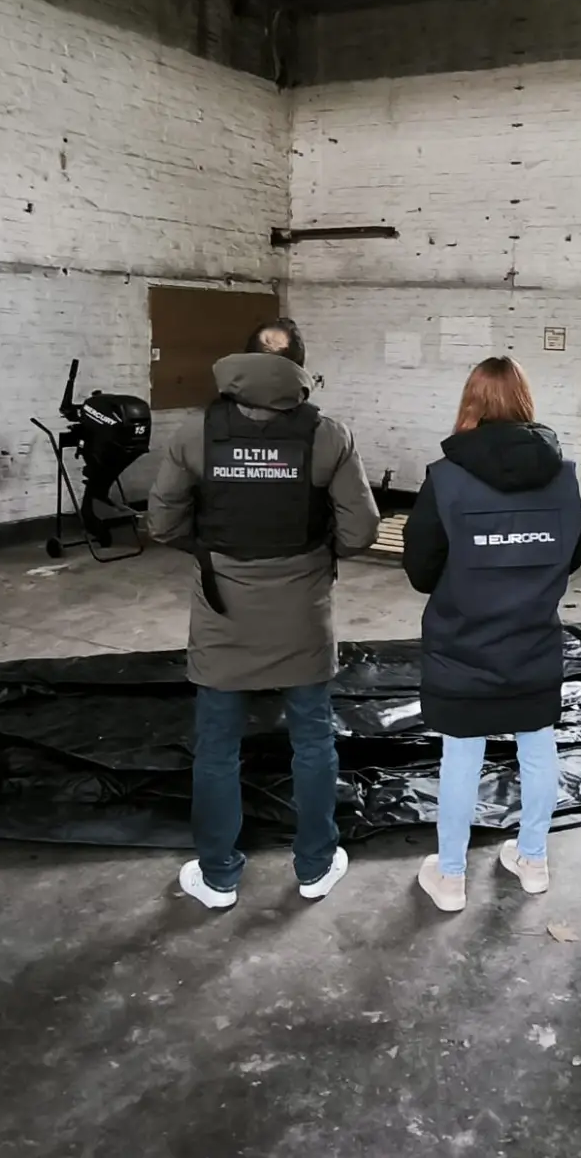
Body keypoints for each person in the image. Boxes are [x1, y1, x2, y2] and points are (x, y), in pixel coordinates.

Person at [147, 345, 380, 909]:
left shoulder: (195, 434)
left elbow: (162, 523)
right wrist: (314, 556)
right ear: (299, 371)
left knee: (217, 747)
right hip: (302, 612)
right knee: (313, 739)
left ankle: (218, 877)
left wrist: (216, 553)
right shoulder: (328, 436)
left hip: (223, 611)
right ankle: (315, 866)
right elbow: (361, 531)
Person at [401, 357, 581, 911]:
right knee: (538, 748)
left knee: (461, 756)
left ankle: (451, 876)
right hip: (533, 640)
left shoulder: (445, 478)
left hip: (464, 644)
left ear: (471, 403)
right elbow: (574, 554)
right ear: (525, 401)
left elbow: (420, 569)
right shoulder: (563, 476)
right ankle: (533, 860)